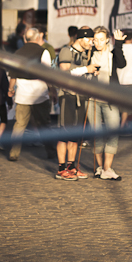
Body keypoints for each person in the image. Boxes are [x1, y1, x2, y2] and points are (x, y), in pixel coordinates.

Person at [7, 27, 56, 162]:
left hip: (22, 96)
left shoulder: (17, 53)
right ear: (38, 37)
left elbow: (13, 75)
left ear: (24, 39)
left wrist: (11, 89)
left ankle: (14, 152)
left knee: (19, 125)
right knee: (44, 125)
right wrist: (52, 90)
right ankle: (51, 151)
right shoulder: (43, 52)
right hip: (40, 95)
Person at [88, 27, 127, 180]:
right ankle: (100, 167)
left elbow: (122, 63)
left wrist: (119, 43)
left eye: (101, 39)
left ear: (107, 40)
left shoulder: (112, 53)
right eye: (95, 40)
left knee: (113, 132)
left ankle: (107, 168)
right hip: (93, 99)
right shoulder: (90, 53)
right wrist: (91, 73)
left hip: (110, 99)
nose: (98, 42)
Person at [56, 27, 95, 180]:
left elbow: (83, 74)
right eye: (89, 39)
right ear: (81, 38)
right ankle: (61, 169)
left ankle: (71, 167)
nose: (91, 42)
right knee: (64, 132)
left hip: (81, 96)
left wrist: (91, 73)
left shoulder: (85, 54)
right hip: (68, 95)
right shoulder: (66, 51)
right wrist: (86, 69)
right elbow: (64, 72)